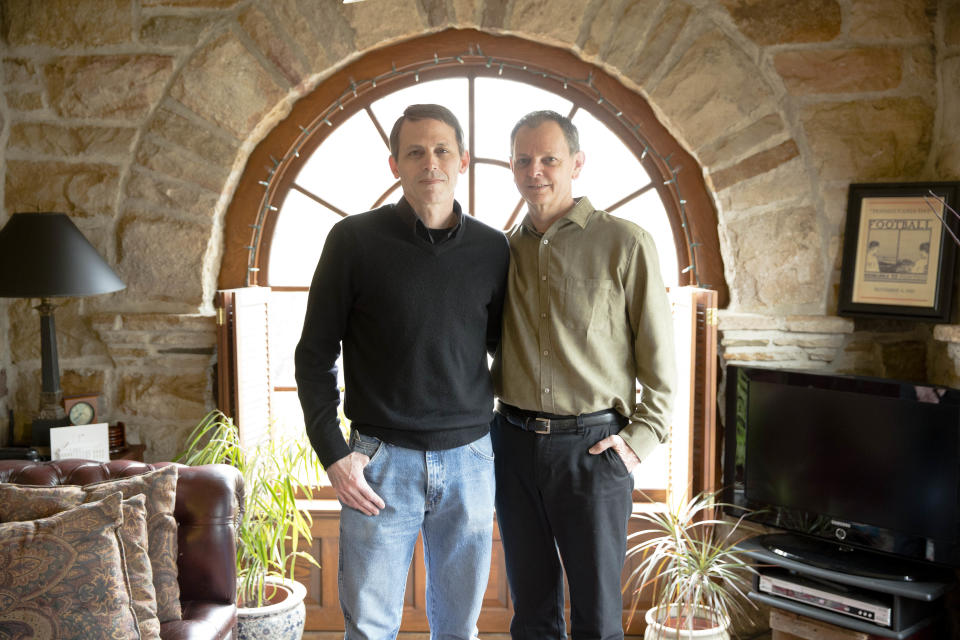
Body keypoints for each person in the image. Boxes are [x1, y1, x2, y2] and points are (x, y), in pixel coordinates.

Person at [295, 103, 509, 640]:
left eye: (441, 150)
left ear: (462, 160)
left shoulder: (493, 248)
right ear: (395, 164)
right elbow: (313, 356)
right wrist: (335, 456)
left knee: (459, 628)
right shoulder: (353, 241)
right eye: (415, 152)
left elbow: (507, 350)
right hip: (378, 462)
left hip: (471, 462)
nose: (429, 162)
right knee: (370, 629)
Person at [491, 110, 676, 640]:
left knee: (597, 616)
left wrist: (636, 443)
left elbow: (661, 369)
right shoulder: (500, 252)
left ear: (577, 163)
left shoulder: (626, 243)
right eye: (523, 160)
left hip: (595, 448)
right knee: (531, 612)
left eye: (549, 158)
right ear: (511, 166)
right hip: (514, 445)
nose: (536, 171)